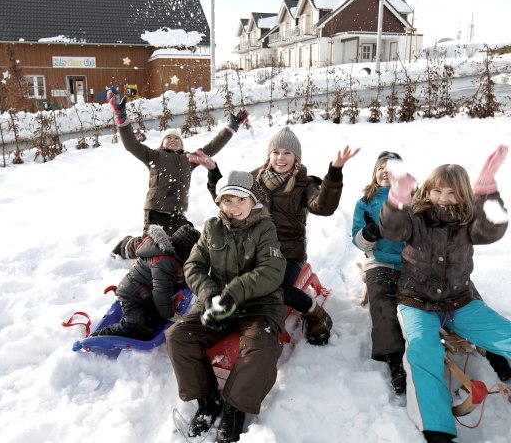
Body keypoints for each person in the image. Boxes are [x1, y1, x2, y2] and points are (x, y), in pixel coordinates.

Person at [379, 145, 511, 443]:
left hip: (460, 301)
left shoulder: (469, 223)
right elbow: (391, 229)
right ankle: (438, 428)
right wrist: (398, 200)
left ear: (464, 196)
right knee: (423, 351)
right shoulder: (415, 217)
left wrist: (488, 191)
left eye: (451, 193)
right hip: (417, 302)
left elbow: (494, 229)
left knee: (506, 335)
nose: (443, 198)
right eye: (437, 191)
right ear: (427, 191)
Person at [192, 126, 360, 345]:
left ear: (296, 157)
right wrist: (214, 171)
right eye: (276, 152)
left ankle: (315, 313)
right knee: (231, 279)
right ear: (269, 154)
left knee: (276, 289)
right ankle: (229, 317)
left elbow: (323, 207)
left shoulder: (304, 184)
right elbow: (229, 198)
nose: (281, 158)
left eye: (287, 153)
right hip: (255, 248)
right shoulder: (254, 179)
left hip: (288, 253)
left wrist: (334, 172)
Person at [165, 170, 286, 443]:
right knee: (178, 336)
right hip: (218, 302)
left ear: (252, 200)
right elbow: (193, 266)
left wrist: (233, 294)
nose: (233, 207)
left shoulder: (265, 228)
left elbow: (272, 270)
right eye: (226, 201)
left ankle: (234, 409)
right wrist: (210, 297)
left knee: (260, 347)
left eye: (240, 200)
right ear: (219, 203)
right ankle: (208, 401)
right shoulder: (212, 228)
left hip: (259, 304)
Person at [107, 87, 248, 259]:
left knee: (190, 241)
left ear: (182, 145)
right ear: (162, 143)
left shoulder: (188, 159)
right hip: (156, 211)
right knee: (151, 247)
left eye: (177, 139)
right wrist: (121, 119)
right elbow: (131, 144)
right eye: (169, 138)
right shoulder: (154, 156)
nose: (173, 140)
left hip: (178, 214)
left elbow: (212, 147)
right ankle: (127, 245)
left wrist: (232, 126)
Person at [352, 150, 408, 394]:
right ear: (375, 175)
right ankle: (395, 360)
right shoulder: (365, 202)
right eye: (380, 168)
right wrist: (367, 235)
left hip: (413, 261)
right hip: (381, 262)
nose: (386, 171)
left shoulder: (415, 198)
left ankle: (492, 352)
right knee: (382, 302)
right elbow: (357, 238)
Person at [91, 224, 200, 339]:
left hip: (147, 293)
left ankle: (146, 325)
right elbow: (161, 293)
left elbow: (176, 280)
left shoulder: (174, 258)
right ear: (187, 251)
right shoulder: (164, 262)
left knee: (155, 315)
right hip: (133, 295)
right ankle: (99, 336)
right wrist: (170, 315)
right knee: (132, 324)